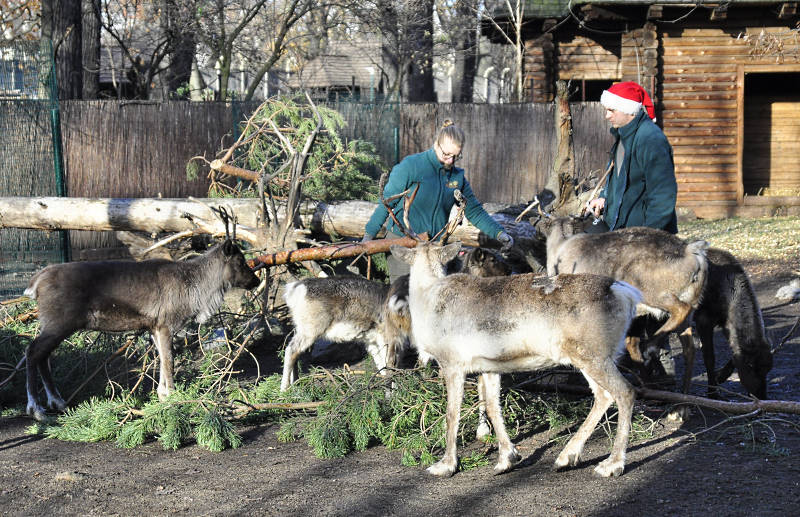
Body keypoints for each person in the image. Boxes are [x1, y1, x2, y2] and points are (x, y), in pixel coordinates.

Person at [362, 120, 513, 282]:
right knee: (404, 295)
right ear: (436, 144)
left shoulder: (457, 177)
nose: (450, 161)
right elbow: (387, 202)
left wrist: (499, 233)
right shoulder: (411, 166)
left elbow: (474, 211)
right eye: (446, 154)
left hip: (436, 248)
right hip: (405, 244)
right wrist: (368, 235)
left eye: (456, 156)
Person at [588, 81, 678, 234]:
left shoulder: (650, 140)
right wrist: (604, 198)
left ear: (629, 110)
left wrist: (647, 236)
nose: (607, 115)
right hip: (621, 233)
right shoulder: (623, 135)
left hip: (642, 239)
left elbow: (663, 195)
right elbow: (618, 180)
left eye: (612, 110)